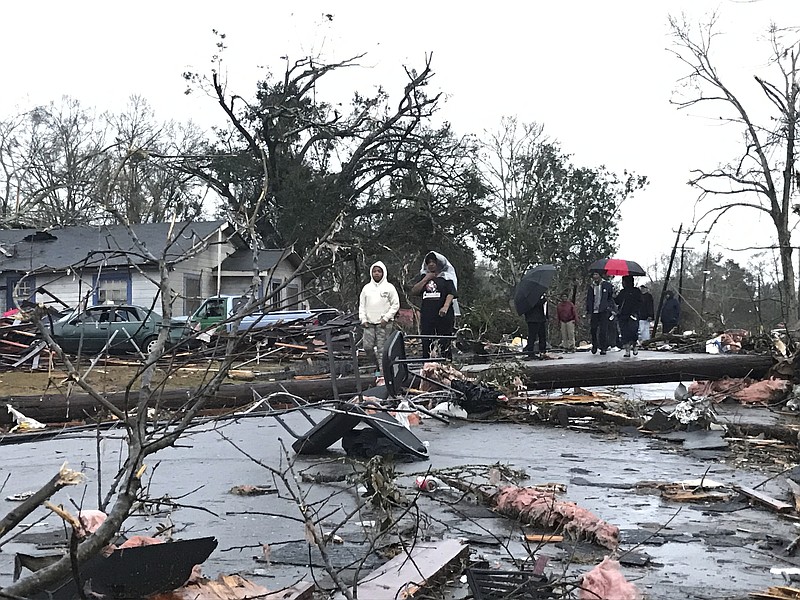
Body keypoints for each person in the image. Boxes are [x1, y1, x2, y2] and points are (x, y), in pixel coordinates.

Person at [411, 252, 458, 359]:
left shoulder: (446, 277)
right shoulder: (423, 277)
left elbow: (451, 293)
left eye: (434, 262)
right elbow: (414, 291)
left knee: (445, 340)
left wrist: (445, 307)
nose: (431, 264)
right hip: (427, 314)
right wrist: (426, 279)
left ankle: (446, 363)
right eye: (429, 262)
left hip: (443, 314)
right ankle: (427, 365)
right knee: (427, 340)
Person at [358, 260, 400, 373]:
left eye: (379, 271)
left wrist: (386, 318)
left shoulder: (389, 287)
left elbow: (395, 304)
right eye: (374, 271)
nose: (376, 273)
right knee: (367, 347)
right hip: (369, 323)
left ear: (383, 273)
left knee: (382, 349)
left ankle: (383, 372)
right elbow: (362, 305)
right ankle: (376, 365)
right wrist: (363, 319)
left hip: (384, 323)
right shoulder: (366, 288)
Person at [585, 271, 615, 355]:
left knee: (603, 330)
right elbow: (589, 299)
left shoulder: (607, 285)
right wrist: (588, 310)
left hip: (603, 311)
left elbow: (610, 298)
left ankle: (603, 347)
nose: (595, 276)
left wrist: (609, 307)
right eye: (594, 274)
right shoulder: (591, 287)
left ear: (600, 276)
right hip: (594, 311)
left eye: (596, 274)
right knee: (593, 329)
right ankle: (595, 345)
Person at [615, 275, 642, 357]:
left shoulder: (636, 291)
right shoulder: (622, 292)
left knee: (633, 331)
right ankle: (627, 350)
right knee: (624, 333)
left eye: (623, 281)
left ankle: (634, 346)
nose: (622, 283)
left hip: (633, 315)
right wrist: (613, 295)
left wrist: (635, 312)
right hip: (623, 315)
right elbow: (617, 301)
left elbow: (640, 302)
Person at [524, 294, 548, 358]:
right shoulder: (529, 299)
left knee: (542, 336)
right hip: (533, 320)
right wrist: (543, 300)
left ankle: (542, 350)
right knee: (532, 336)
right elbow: (536, 304)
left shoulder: (535, 298)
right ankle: (530, 351)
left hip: (540, 319)